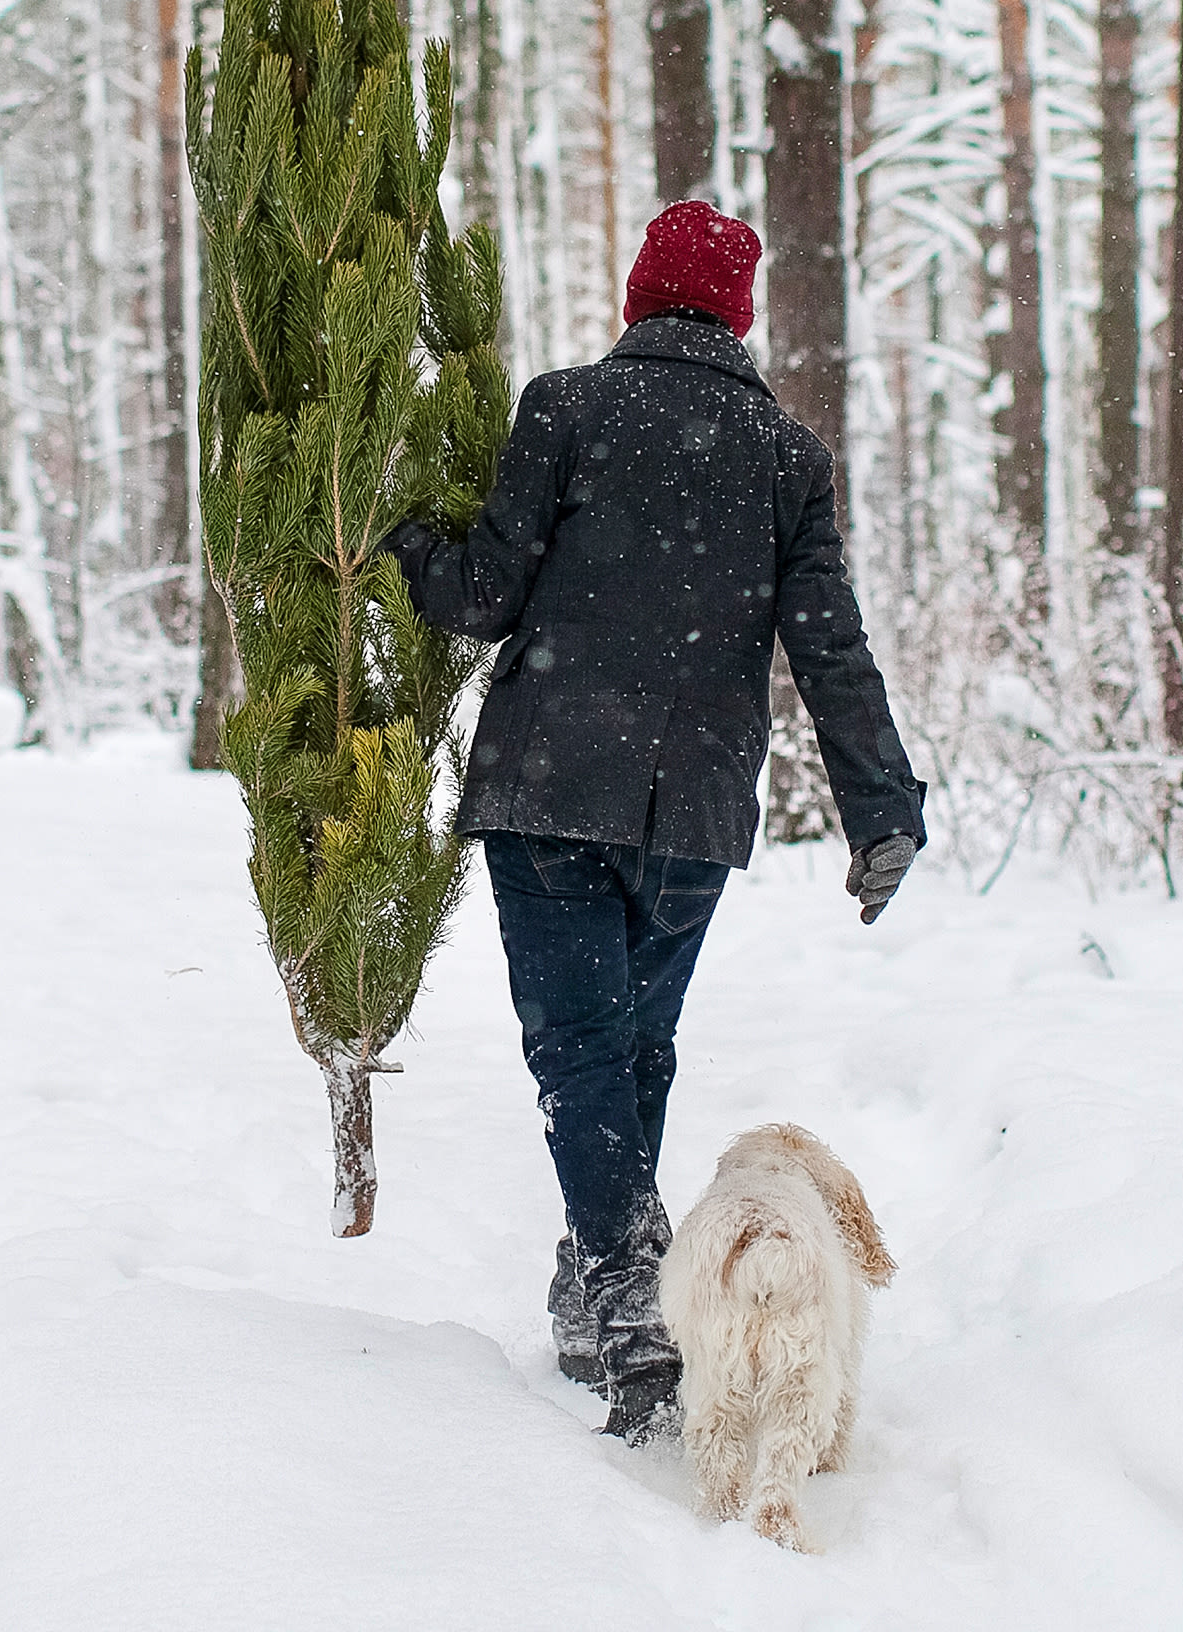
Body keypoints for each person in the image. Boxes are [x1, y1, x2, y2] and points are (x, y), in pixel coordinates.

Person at [382, 199, 928, 1446]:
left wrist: (397, 540)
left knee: (581, 1053)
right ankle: (595, 1292)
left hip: (552, 789)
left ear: (639, 296)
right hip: (690, 809)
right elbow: (829, 645)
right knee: (632, 1051)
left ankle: (633, 1301)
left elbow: (481, 597)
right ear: (739, 315)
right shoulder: (787, 457)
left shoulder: (566, 408)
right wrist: (881, 806)